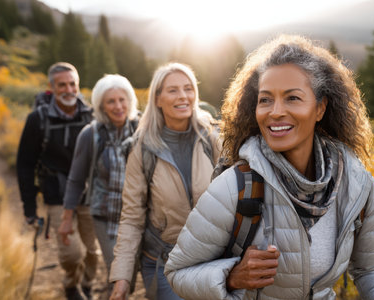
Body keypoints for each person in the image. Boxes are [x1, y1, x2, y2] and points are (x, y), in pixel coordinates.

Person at [164, 35, 374, 299]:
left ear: (320, 108)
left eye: (292, 98)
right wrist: (232, 277)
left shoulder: (358, 186)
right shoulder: (235, 187)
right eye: (265, 100)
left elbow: (373, 270)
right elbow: (179, 272)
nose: (275, 112)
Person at [109, 62, 221, 300]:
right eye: (173, 90)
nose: (183, 96)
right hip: (165, 262)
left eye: (188, 88)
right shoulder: (143, 148)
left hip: (212, 258)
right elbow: (131, 217)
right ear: (157, 99)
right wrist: (122, 277)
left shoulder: (212, 139)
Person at [17, 62, 98, 300]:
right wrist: (29, 208)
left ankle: (87, 284)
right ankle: (72, 285)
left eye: (73, 84)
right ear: (51, 87)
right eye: (62, 85)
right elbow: (25, 165)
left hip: (89, 194)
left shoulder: (91, 115)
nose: (69, 89)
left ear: (78, 85)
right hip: (56, 195)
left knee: (92, 250)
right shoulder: (37, 120)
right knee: (71, 254)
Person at [58, 74, 140, 297]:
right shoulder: (91, 134)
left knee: (130, 275)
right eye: (110, 101)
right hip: (105, 216)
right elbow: (76, 180)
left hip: (138, 216)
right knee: (118, 274)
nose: (118, 106)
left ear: (130, 100)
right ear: (101, 105)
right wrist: (66, 220)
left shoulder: (141, 129)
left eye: (122, 99)